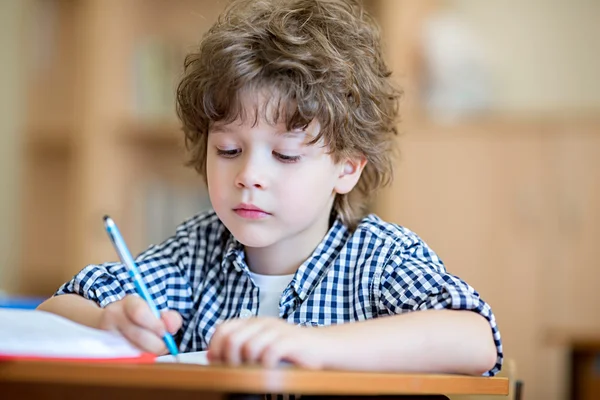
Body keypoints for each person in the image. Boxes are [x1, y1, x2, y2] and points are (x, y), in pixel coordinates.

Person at [38, 0, 502, 376]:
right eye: (227, 150)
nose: (249, 176)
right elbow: (53, 311)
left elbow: (475, 339)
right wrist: (107, 321)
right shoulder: (195, 254)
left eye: (285, 155)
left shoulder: (379, 258)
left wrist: (315, 344)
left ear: (348, 169)